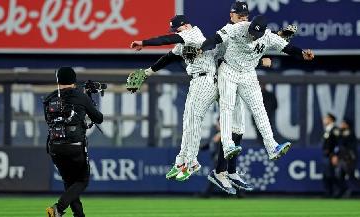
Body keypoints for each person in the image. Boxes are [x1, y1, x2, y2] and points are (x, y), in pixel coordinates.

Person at [130, 15, 241, 182]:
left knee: (193, 122)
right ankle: (182, 161)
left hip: (206, 79)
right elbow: (168, 57)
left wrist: (144, 43)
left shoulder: (193, 34)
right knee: (188, 123)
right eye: (175, 30)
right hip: (198, 80)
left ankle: (191, 162)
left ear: (186, 25)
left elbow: (167, 39)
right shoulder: (184, 41)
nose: (176, 32)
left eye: (178, 29)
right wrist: (147, 72)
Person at [200, 15, 314, 163]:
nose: (254, 35)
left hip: (248, 74)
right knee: (227, 108)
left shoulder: (267, 36)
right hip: (229, 70)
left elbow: (288, 48)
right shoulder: (238, 28)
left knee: (259, 108)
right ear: (250, 25)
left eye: (257, 33)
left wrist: (302, 54)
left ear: (264, 31)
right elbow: (215, 39)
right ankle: (227, 145)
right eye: (253, 31)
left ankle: (272, 147)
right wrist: (201, 49)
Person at [44, 67, 104, 217]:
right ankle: (58, 208)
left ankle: (79, 215)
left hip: (54, 146)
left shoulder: (49, 98)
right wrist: (89, 99)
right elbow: (99, 118)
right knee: (82, 181)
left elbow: (49, 121)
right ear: (74, 80)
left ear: (58, 81)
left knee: (69, 183)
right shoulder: (81, 97)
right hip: (74, 146)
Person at [321, 113, 340, 197]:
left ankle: (336, 192)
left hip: (332, 155)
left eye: (326, 118)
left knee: (332, 174)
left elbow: (338, 144)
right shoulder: (328, 129)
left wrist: (335, 155)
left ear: (330, 119)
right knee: (326, 174)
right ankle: (328, 192)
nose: (324, 120)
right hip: (327, 155)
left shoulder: (335, 129)